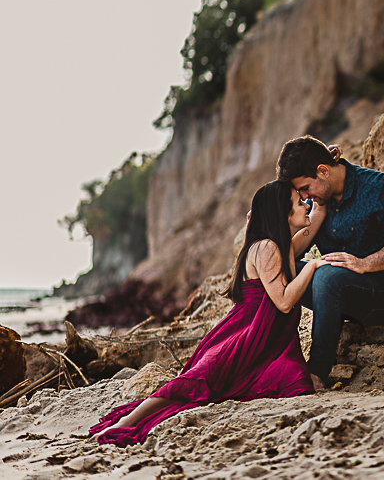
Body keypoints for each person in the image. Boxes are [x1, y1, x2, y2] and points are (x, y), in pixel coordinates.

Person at [90, 181, 341, 447]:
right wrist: (312, 266)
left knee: (293, 383)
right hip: (245, 334)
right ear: (283, 213)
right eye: (300, 202)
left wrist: (322, 185)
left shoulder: (285, 246)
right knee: (194, 382)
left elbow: (316, 216)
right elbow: (283, 302)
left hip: (270, 341)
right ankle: (123, 424)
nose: (306, 204)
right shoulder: (266, 247)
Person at [276, 136, 384, 390]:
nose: (303, 195)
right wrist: (314, 215)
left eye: (305, 187)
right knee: (279, 271)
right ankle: (276, 362)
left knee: (326, 277)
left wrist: (365, 263)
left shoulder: (378, 187)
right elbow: (291, 255)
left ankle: (317, 373)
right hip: (339, 293)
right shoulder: (318, 203)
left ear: (323, 171)